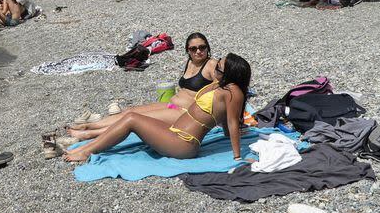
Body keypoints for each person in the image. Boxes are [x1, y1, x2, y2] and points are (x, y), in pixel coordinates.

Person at [63, 53, 250, 163]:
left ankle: (86, 151)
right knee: (133, 114)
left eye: (219, 67)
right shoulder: (222, 86)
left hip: (183, 144)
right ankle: (87, 144)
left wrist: (237, 157)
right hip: (175, 132)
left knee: (131, 120)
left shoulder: (234, 92)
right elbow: (227, 121)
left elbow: (232, 122)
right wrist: (227, 134)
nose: (215, 67)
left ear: (230, 74)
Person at [68, 33, 219, 139]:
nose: (198, 51)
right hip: (171, 106)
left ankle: (88, 134)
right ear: (188, 50)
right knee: (130, 111)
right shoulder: (190, 62)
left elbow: (224, 90)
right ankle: (91, 125)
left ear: (207, 47)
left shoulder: (212, 65)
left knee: (137, 118)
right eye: (193, 49)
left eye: (202, 47)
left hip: (184, 112)